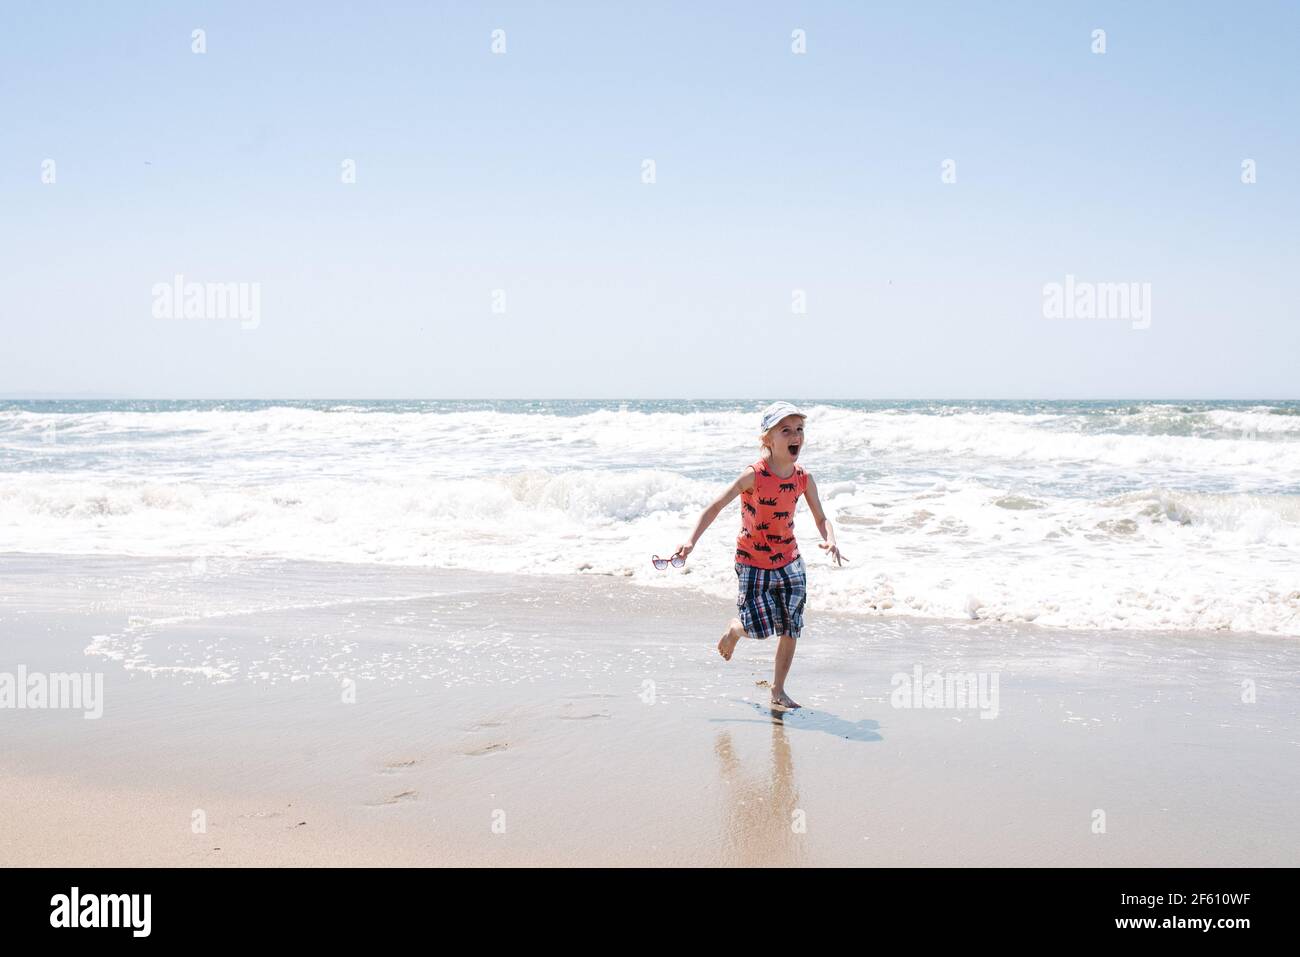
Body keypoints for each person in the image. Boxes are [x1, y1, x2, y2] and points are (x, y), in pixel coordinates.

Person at [672, 401, 847, 709]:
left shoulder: (803, 477)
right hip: (752, 561)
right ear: (768, 439)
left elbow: (821, 517)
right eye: (786, 430)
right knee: (758, 627)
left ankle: (778, 690)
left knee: (791, 625)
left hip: (790, 562)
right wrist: (690, 542)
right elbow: (714, 506)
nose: (795, 436)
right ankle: (735, 629)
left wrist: (830, 538)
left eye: (799, 430)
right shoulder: (754, 475)